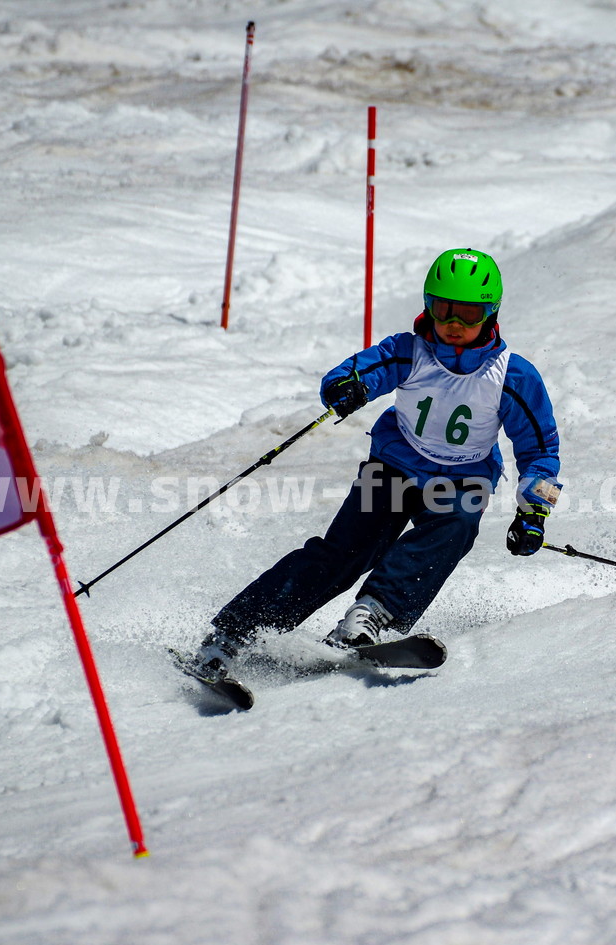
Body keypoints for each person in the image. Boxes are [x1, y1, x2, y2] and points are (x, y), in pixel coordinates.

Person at [191, 247, 561, 678]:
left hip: (461, 480)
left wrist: (533, 512)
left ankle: (370, 617)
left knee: (456, 523)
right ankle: (233, 633)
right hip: (394, 467)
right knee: (342, 554)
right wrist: (349, 387)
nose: (453, 325)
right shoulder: (409, 351)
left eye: (468, 314)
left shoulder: (512, 376)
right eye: (442, 310)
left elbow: (540, 452)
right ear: (428, 306)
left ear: (491, 313)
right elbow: (354, 371)